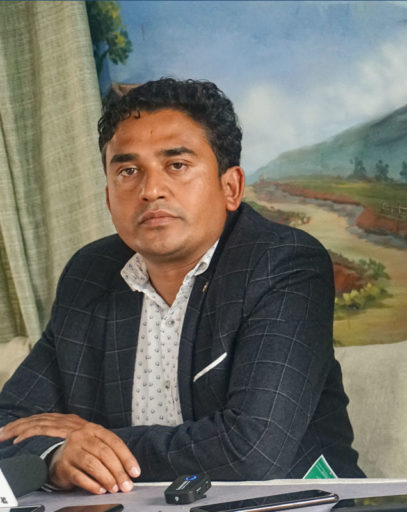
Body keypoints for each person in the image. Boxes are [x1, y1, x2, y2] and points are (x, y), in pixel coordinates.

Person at [0, 78, 364, 494]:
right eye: (128, 171)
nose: (150, 190)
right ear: (108, 198)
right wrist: (55, 454)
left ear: (231, 187)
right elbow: (8, 423)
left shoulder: (283, 263)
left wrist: (91, 445)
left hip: (293, 502)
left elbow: (252, 450)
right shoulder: (90, 274)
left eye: (176, 165)